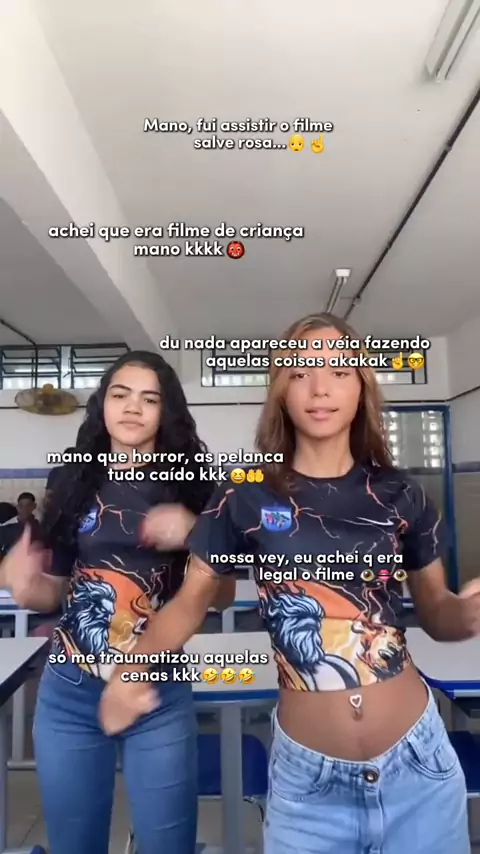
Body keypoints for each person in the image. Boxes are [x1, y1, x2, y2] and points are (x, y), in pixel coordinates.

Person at [96, 314, 480, 854]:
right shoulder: (245, 493)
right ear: (280, 388)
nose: (320, 388)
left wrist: (466, 613)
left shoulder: (400, 493)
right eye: (300, 372)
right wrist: (132, 671)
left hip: (417, 767)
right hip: (307, 788)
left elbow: (436, 611)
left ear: (361, 386)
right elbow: (189, 603)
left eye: (338, 371)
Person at [0, 350, 235, 854]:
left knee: (167, 844)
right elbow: (56, 589)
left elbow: (224, 595)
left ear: (166, 412)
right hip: (69, 691)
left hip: (156, 690)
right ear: (102, 404)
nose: (132, 407)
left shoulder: (196, 486)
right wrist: (24, 587)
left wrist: (195, 534)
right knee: (74, 843)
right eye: (121, 394)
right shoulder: (71, 480)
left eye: (149, 399)